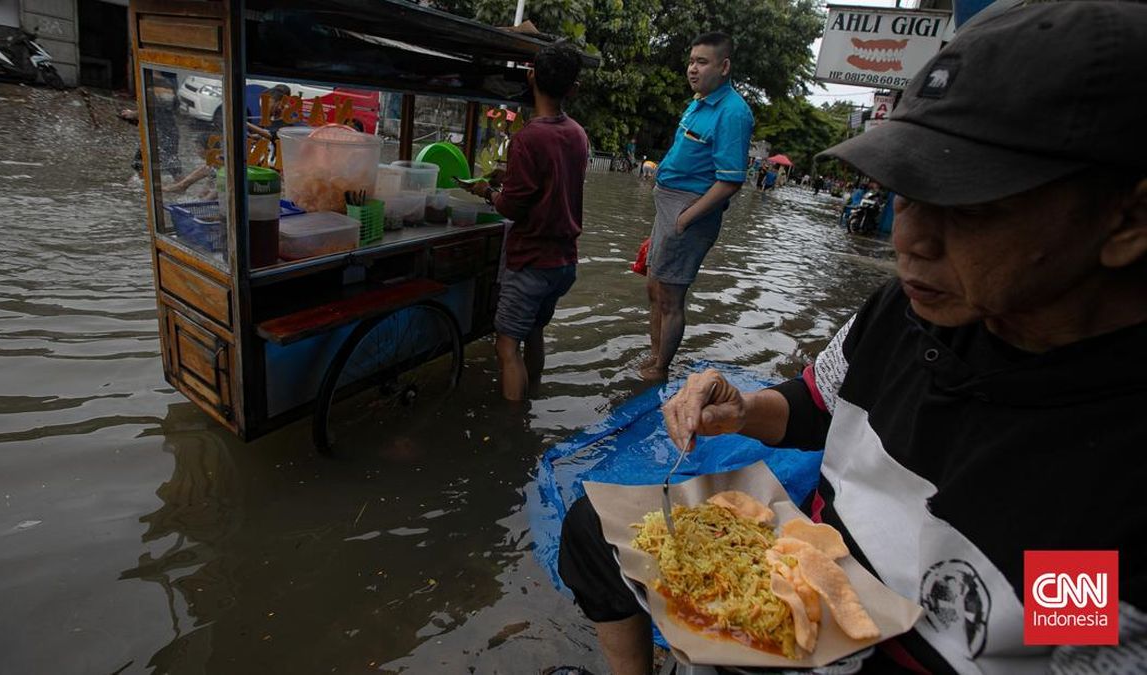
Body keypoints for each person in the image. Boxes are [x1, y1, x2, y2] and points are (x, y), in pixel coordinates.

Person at [557, 3, 1147, 673]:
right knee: (591, 527)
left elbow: (1048, 637)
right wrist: (744, 408)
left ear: (1127, 219)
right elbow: (815, 407)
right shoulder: (907, 314)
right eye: (905, 194)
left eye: (968, 205)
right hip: (808, 560)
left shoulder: (1116, 479)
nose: (909, 240)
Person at [462, 43, 588, 401]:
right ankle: (532, 400)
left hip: (531, 261)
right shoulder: (577, 134)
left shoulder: (529, 137)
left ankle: (512, 431)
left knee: (506, 346)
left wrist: (487, 191)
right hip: (564, 262)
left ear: (531, 76)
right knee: (534, 330)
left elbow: (512, 208)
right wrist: (511, 176)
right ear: (573, 88)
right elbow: (553, 182)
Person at [640, 32, 754, 380]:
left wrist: (685, 218)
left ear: (724, 66)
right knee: (654, 289)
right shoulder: (699, 102)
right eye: (691, 61)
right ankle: (654, 356)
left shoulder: (733, 112)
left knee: (670, 298)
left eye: (702, 62)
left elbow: (730, 180)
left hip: (687, 213)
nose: (693, 69)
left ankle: (659, 369)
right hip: (670, 210)